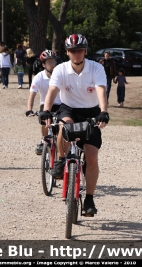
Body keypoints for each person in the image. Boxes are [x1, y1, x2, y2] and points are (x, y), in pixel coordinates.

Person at [40, 34, 109, 215]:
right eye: (72, 51)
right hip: (69, 109)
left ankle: (89, 199)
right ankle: (62, 160)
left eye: (79, 50)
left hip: (91, 111)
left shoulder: (96, 68)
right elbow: (53, 90)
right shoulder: (60, 69)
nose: (75, 54)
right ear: (67, 52)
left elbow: (101, 90)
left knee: (92, 156)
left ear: (85, 51)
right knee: (64, 126)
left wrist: (103, 112)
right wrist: (46, 110)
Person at [26, 50, 62, 155]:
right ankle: (44, 140)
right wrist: (29, 109)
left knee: (61, 127)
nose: (52, 64)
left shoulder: (60, 75)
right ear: (43, 64)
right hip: (45, 104)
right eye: (49, 62)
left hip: (60, 105)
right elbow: (32, 95)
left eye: (53, 61)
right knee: (43, 118)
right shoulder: (39, 77)